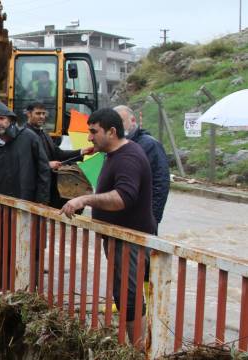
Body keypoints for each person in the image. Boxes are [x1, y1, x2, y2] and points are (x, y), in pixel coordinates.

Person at [60, 108, 156, 349]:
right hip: (119, 237)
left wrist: (85, 200)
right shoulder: (114, 155)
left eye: (94, 132)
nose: (90, 137)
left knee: (130, 295)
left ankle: (138, 349)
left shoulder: (128, 157)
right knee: (123, 293)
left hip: (129, 238)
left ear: (112, 132)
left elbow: (123, 197)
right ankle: (135, 345)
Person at [25, 102, 94, 208]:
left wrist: (81, 152)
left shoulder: (44, 133)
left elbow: (58, 153)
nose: (42, 117)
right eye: (38, 113)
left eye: (44, 114)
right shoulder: (24, 135)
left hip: (48, 186)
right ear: (29, 114)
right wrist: (47, 165)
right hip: (33, 189)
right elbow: (24, 163)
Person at [114, 105, 170, 227]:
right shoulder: (114, 148)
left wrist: (153, 218)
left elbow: (161, 183)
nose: (117, 126)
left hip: (141, 221)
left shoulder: (150, 145)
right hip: (119, 220)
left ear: (133, 120)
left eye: (121, 122)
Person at [0, 101, 51, 204]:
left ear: (10, 120)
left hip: (26, 201)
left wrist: (41, 202)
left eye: (2, 118)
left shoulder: (29, 137)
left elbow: (44, 170)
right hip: (0, 202)